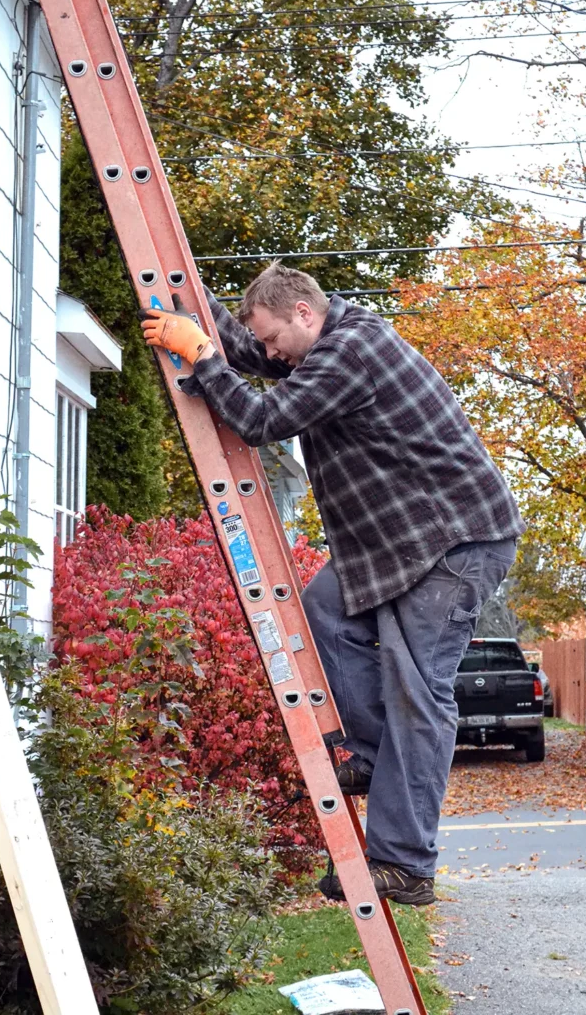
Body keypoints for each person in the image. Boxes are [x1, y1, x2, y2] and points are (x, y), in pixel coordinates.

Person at [141, 264, 525, 905]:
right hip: (395, 546)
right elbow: (247, 352)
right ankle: (373, 755)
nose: (266, 353)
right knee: (321, 613)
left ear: (302, 313)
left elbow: (263, 420)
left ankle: (405, 864)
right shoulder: (320, 344)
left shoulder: (354, 349)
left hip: (452, 542)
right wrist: (186, 292)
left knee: (417, 691)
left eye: (271, 337)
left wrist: (200, 353)